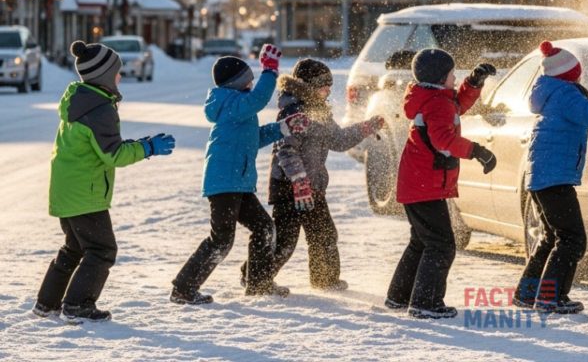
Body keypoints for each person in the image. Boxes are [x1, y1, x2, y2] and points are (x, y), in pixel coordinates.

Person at [33, 40, 176, 324]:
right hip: (86, 194)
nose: (120, 76)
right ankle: (77, 305)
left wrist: (142, 143)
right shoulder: (100, 110)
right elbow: (114, 154)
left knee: (74, 248)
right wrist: (149, 148)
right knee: (101, 250)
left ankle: (46, 303)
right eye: (117, 72)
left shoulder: (79, 101)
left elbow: (102, 148)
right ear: (104, 76)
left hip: (67, 191)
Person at [170, 45, 310, 305]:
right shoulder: (231, 103)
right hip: (224, 183)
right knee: (221, 241)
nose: (254, 82)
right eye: (250, 79)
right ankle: (183, 287)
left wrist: (283, 127)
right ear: (238, 83)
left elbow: (253, 139)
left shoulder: (238, 108)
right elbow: (258, 99)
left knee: (264, 228)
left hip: (239, 182)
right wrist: (270, 71)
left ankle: (258, 283)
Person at [240, 58, 385, 291]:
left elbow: (338, 140)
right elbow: (285, 151)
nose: (328, 89)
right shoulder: (293, 112)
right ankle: (254, 275)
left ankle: (324, 279)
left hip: (314, 187)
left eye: (329, 85)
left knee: (324, 235)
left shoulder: (320, 112)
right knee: (285, 242)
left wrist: (365, 128)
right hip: (289, 187)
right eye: (323, 85)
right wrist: (299, 180)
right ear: (309, 85)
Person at [512, 41, 588, 314]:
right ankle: (551, 298)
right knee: (572, 239)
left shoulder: (550, 93)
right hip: (554, 179)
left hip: (540, 177)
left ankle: (527, 294)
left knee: (551, 237)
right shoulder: (566, 94)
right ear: (570, 73)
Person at [384, 49, 498, 319]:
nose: (454, 76)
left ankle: (398, 296)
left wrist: (474, 82)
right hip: (425, 185)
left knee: (421, 242)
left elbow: (457, 104)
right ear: (439, 77)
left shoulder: (432, 97)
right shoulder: (438, 103)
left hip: (417, 183)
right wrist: (478, 151)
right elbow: (443, 140)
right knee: (441, 244)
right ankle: (426, 303)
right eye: (452, 73)